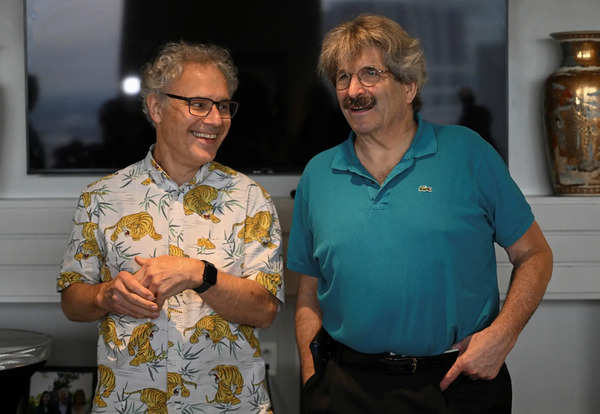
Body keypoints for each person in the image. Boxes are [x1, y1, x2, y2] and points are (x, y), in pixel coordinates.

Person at [287, 14, 553, 414]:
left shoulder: (469, 154)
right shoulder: (318, 175)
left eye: (369, 74)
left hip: (456, 384)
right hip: (345, 388)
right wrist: (313, 380)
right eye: (342, 78)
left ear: (409, 85)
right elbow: (308, 292)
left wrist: (503, 334)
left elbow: (535, 255)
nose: (352, 90)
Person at [59, 41, 283, 414]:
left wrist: (201, 274)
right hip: (127, 405)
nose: (215, 120)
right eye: (198, 104)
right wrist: (105, 296)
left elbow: (265, 311)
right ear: (156, 107)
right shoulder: (100, 198)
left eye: (223, 106)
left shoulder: (250, 200)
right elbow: (71, 300)